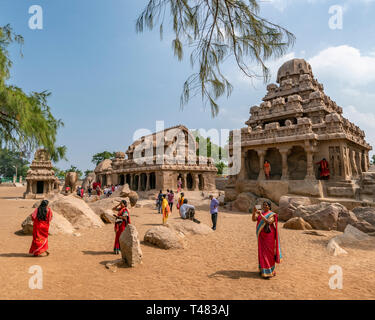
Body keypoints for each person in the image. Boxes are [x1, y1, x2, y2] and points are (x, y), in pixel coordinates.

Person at [251, 201, 281, 279]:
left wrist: (260, 214)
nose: (264, 206)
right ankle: (263, 270)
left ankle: (269, 271)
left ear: (269, 207)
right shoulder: (261, 213)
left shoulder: (272, 214)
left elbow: (268, 222)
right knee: (262, 251)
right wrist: (254, 212)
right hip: (261, 236)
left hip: (269, 236)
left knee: (268, 253)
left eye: (266, 205)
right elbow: (254, 219)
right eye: (263, 205)